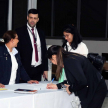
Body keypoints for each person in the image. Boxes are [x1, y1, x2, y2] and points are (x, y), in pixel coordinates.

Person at [16, 9, 48, 81]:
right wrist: (19, 71)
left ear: (38, 19)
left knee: (36, 91)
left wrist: (45, 69)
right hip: (25, 70)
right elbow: (17, 52)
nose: (32, 20)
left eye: (35, 18)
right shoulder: (19, 32)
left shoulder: (41, 32)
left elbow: (44, 51)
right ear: (27, 17)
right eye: (31, 17)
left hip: (38, 69)